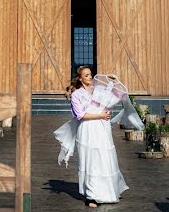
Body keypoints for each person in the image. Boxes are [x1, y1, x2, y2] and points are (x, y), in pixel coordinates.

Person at [55, 66, 130, 208]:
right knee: (90, 161)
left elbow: (119, 95)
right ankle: (92, 196)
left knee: (104, 158)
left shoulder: (99, 90)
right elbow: (80, 115)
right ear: (80, 78)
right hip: (88, 128)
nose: (90, 77)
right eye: (87, 75)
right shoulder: (77, 95)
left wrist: (113, 82)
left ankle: (108, 192)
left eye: (91, 74)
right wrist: (100, 115)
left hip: (102, 128)